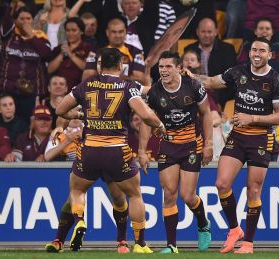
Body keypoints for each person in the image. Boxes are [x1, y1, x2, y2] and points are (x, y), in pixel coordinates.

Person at [55, 47, 166, 253]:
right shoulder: (127, 86)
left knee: (77, 190)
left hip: (90, 149)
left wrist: (79, 115)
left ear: (100, 65)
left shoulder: (86, 85)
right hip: (117, 151)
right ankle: (140, 244)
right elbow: (146, 115)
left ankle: (79, 220)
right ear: (121, 65)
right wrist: (159, 125)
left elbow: (60, 109)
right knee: (134, 195)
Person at [200, 37, 279, 254]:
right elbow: (211, 82)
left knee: (253, 191)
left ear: (270, 55)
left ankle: (248, 242)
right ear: (249, 53)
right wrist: (191, 77)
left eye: (262, 50)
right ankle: (234, 229)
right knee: (221, 183)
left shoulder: (277, 81)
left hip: (261, 138)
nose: (257, 53)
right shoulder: (238, 72)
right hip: (238, 136)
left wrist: (252, 118)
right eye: (253, 49)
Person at [138, 51, 213, 253]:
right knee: (169, 194)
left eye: (168, 66)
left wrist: (209, 144)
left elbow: (206, 114)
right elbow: (147, 121)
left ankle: (203, 223)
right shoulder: (155, 91)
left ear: (179, 68)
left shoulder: (194, 86)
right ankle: (172, 246)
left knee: (188, 196)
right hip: (169, 146)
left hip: (191, 144)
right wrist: (142, 151)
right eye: (161, 67)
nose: (163, 70)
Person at [184, 18, 237, 108]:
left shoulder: (228, 49)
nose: (206, 35)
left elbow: (231, 80)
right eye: (203, 32)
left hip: (219, 96)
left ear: (216, 32)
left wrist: (219, 102)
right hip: (193, 94)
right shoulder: (189, 49)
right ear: (197, 32)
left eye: (209, 32)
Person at [82, 18, 146, 85]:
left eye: (120, 32)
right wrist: (121, 77)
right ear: (107, 32)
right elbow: (86, 78)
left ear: (125, 32)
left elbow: (140, 80)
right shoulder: (96, 51)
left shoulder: (135, 52)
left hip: (127, 92)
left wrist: (109, 75)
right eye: (114, 32)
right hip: (101, 92)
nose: (117, 35)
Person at [47, 17, 93, 91]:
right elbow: (49, 70)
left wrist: (70, 54)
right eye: (68, 30)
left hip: (79, 90)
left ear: (81, 32)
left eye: (74, 30)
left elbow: (88, 69)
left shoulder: (88, 48)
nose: (70, 33)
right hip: (59, 91)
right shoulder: (58, 48)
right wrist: (61, 55)